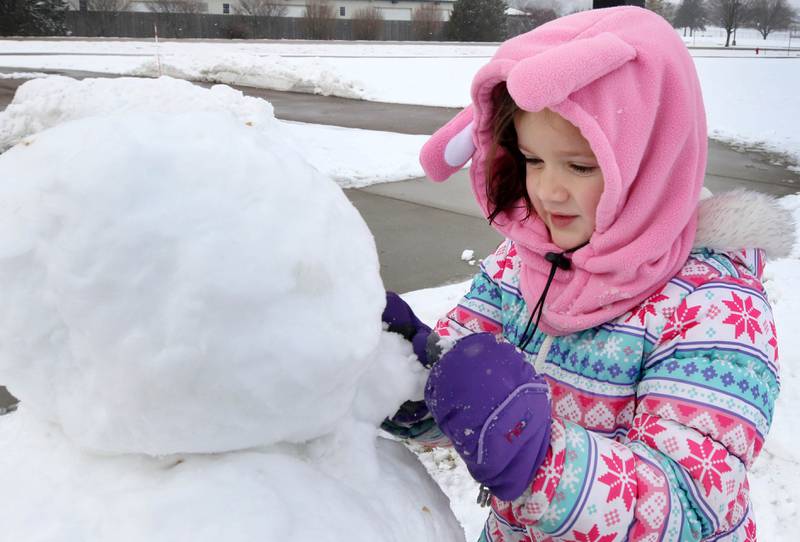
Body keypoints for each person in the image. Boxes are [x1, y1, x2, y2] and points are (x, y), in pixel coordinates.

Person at [381, 6, 795, 542]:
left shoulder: (716, 306)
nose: (548, 192)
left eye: (579, 166)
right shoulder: (521, 263)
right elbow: (468, 396)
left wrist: (539, 460)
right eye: (532, 160)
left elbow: (693, 504)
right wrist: (405, 377)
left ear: (649, 159)